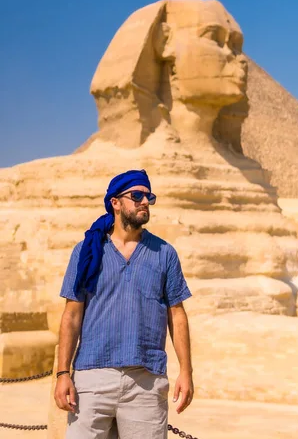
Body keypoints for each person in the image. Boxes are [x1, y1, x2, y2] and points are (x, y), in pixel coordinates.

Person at [54, 169, 194, 438]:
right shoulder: (87, 252)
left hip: (145, 381)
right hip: (92, 378)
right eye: (137, 195)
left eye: (148, 197)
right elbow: (71, 315)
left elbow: (177, 315)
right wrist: (63, 373)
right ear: (115, 203)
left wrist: (185, 372)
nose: (144, 202)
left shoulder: (165, 253)